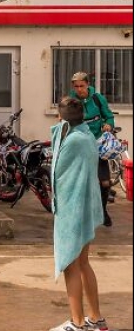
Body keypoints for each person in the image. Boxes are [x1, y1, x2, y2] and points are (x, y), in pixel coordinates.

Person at [48, 96, 107, 331]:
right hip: (86, 206)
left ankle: (77, 323)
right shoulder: (86, 136)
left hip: (73, 208)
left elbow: (58, 172)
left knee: (70, 265)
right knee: (83, 263)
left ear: (61, 116)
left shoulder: (72, 141)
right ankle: (96, 318)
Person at [68, 71, 115, 227]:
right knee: (81, 183)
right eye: (76, 86)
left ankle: (102, 210)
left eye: (82, 86)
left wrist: (108, 124)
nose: (79, 89)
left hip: (98, 144)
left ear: (88, 85)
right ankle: (81, 214)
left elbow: (108, 116)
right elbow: (65, 120)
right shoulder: (71, 100)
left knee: (105, 183)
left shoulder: (97, 98)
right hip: (80, 145)